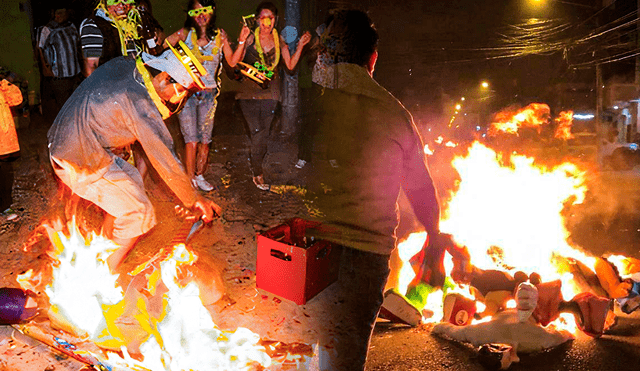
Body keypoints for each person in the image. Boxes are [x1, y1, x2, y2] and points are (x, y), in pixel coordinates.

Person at [302, 9, 445, 370]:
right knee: (343, 357)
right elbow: (421, 189)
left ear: (326, 53)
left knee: (302, 348)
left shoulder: (310, 101)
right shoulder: (394, 113)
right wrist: (434, 235)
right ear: (373, 58)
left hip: (306, 251)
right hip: (364, 258)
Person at [47, 42, 222, 273]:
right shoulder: (139, 102)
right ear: (165, 78)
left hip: (67, 140)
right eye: (183, 93)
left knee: (131, 180)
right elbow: (164, 156)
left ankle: (104, 245)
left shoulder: (126, 64)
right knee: (139, 212)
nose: (179, 100)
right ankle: (98, 279)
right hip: (78, 159)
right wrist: (193, 198)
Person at [164, 0, 249, 192]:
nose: (201, 16)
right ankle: (189, 180)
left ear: (212, 12)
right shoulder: (184, 34)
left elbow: (232, 61)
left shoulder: (220, 36)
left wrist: (242, 40)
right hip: (187, 94)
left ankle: (199, 176)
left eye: (205, 11)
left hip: (209, 95)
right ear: (191, 14)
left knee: (205, 139)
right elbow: (163, 47)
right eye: (197, 12)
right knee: (190, 139)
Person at [234, 1, 311, 190]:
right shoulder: (250, 38)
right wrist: (242, 41)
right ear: (258, 20)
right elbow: (234, 62)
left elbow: (290, 66)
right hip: (248, 93)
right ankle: (257, 172)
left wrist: (300, 45)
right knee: (257, 133)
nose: (266, 22)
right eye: (263, 18)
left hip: (271, 93)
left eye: (271, 18)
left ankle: (256, 165)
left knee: (263, 134)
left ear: (275, 20)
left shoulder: (280, 41)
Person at [36, 2, 82, 120]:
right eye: (56, 12)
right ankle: (67, 132)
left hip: (75, 73)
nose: (58, 15)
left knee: (78, 105)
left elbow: (78, 46)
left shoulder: (72, 26)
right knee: (65, 108)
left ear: (68, 13)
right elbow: (40, 49)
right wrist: (46, 69)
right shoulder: (47, 29)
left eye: (61, 12)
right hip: (59, 75)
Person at [79, 0, 140, 77]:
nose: (121, 5)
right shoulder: (94, 25)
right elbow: (90, 69)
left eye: (125, 0)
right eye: (115, 1)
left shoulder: (131, 26)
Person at [0, 77, 23, 217]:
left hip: (5, 143)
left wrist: (5, 84)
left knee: (6, 175)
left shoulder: (2, 87)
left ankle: (5, 206)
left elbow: (17, 99)